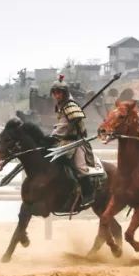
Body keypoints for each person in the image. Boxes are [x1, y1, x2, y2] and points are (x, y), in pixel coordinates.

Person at [49, 74, 97, 206]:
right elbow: (61, 126)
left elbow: (64, 126)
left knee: (80, 168)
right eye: (55, 93)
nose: (57, 95)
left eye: (59, 93)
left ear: (64, 93)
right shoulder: (61, 106)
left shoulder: (70, 106)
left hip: (76, 142)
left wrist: (52, 136)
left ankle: (88, 194)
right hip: (63, 141)